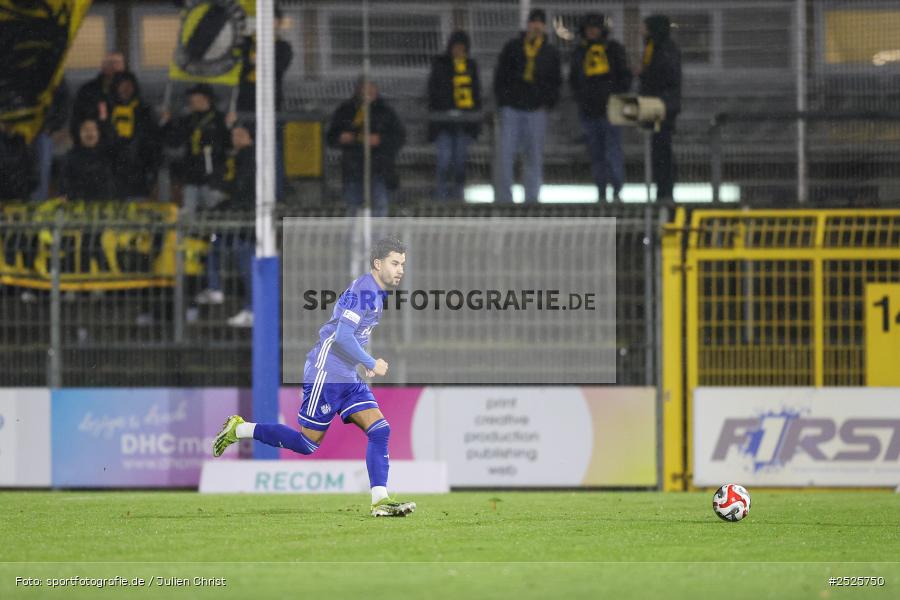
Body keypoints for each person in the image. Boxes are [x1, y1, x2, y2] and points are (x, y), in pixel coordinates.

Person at [214, 237, 417, 518]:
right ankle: (240, 429)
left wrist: (362, 362)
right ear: (378, 263)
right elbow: (343, 336)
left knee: (380, 430)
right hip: (327, 372)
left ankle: (380, 500)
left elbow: (350, 335)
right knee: (307, 443)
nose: (400, 270)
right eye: (395, 263)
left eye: (402, 265)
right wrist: (370, 361)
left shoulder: (375, 292)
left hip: (346, 374)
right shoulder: (364, 290)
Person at [493, 8, 561, 204]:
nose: (536, 26)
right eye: (533, 22)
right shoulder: (513, 47)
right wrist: (504, 100)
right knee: (506, 155)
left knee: (533, 156)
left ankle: (532, 199)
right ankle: (504, 199)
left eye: (540, 22)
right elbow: (501, 75)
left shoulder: (549, 52)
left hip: (536, 110)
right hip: (512, 108)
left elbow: (555, 80)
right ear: (528, 25)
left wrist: (547, 102)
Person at [194, 121, 256, 328]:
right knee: (216, 244)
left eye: (240, 134)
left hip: (246, 220)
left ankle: (252, 309)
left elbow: (241, 186)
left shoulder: (250, 156)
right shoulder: (236, 157)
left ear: (250, 137)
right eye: (234, 134)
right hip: (237, 217)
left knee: (246, 264)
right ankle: (215, 288)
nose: (235, 138)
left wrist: (221, 185)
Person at [569, 13, 631, 202]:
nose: (592, 31)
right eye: (589, 28)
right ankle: (601, 191)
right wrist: (582, 97)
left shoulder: (613, 49)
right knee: (596, 154)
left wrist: (614, 96)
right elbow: (574, 79)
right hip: (589, 111)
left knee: (613, 152)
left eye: (595, 27)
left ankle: (617, 191)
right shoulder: (579, 52)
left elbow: (624, 76)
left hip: (612, 109)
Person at [326, 79, 405, 217]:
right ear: (358, 90)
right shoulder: (346, 110)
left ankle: (377, 238)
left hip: (379, 167)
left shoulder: (385, 111)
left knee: (379, 205)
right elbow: (331, 137)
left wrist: (380, 140)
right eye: (364, 89)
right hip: (353, 167)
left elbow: (399, 138)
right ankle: (353, 238)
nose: (368, 93)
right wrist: (341, 137)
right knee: (352, 207)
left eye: (371, 89)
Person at [427, 30, 482, 202]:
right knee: (444, 161)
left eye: (462, 48)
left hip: (463, 124)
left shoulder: (470, 66)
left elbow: (475, 94)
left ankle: (458, 196)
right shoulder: (441, 65)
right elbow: (435, 92)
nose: (458, 51)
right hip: (444, 123)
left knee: (459, 163)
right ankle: (441, 196)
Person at [161, 84, 230, 213]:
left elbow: (227, 144)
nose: (191, 101)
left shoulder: (220, 120)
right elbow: (174, 141)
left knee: (214, 212)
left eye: (194, 98)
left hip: (213, 178)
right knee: (189, 213)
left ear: (205, 99)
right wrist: (167, 124)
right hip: (191, 176)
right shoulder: (187, 120)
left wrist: (229, 126)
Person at [639, 14, 682, 204]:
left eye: (645, 27)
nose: (642, 31)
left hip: (661, 107)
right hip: (655, 105)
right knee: (657, 150)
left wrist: (646, 75)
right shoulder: (653, 47)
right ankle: (661, 189)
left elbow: (665, 77)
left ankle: (665, 191)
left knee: (662, 149)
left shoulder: (663, 49)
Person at [105, 71, 161, 199]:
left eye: (129, 85)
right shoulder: (106, 110)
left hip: (139, 173)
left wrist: (152, 171)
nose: (125, 89)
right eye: (122, 85)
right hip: (112, 175)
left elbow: (154, 143)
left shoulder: (144, 110)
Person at [71, 51, 125, 140]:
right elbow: (77, 119)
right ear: (103, 66)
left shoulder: (130, 91)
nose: (114, 67)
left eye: (118, 63)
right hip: (96, 143)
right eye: (110, 63)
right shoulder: (88, 90)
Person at [60, 119, 115, 201]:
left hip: (103, 205)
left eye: (93, 129)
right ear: (79, 133)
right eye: (86, 130)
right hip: (77, 205)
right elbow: (64, 185)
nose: (90, 133)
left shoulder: (107, 156)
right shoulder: (70, 157)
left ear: (98, 133)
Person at [0, 122, 36, 202]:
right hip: (18, 194)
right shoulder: (22, 142)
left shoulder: (22, 143)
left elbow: (33, 174)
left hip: (17, 195)